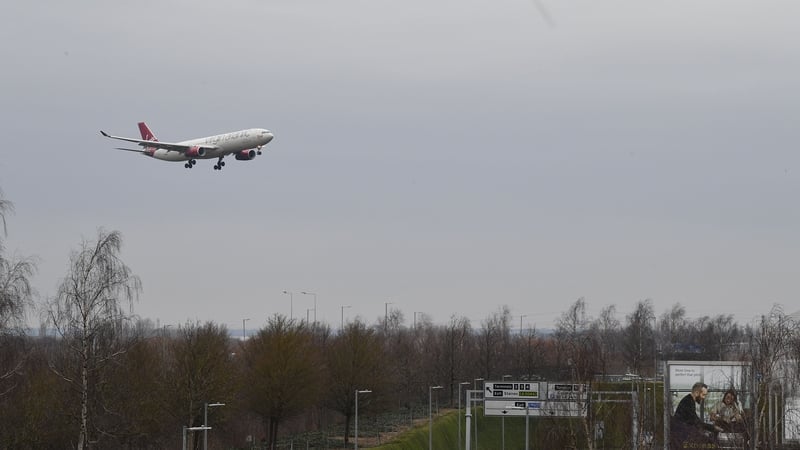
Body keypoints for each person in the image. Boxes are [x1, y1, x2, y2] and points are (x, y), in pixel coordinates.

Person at [670, 382, 720, 449]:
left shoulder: (688, 400)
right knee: (711, 445)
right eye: (703, 395)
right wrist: (712, 428)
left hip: (682, 435)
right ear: (696, 393)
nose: (704, 397)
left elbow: (695, 420)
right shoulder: (688, 402)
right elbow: (695, 421)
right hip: (681, 438)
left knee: (708, 441)